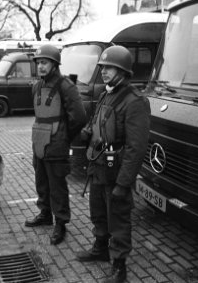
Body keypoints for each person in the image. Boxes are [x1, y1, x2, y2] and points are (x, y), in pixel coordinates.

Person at [76, 46, 150, 283]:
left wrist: (123, 182)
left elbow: (135, 148)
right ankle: (100, 248)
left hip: (116, 171)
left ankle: (119, 268)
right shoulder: (107, 94)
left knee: (118, 219)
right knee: (98, 211)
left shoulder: (135, 101)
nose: (104, 71)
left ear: (122, 71)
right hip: (98, 166)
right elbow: (97, 120)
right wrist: (87, 132)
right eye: (103, 67)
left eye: (109, 68)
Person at [25, 45, 87, 245]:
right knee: (41, 182)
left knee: (57, 186)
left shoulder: (65, 86)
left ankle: (60, 223)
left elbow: (79, 117)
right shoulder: (37, 86)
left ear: (54, 64)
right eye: (38, 63)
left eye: (44, 62)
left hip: (57, 145)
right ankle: (45, 214)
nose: (40, 67)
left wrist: (64, 137)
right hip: (39, 143)